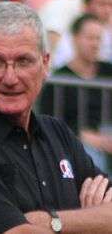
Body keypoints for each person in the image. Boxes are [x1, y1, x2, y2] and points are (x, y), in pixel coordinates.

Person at [0, 1, 112, 234]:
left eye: (23, 61)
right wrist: (91, 222)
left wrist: (50, 221)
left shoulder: (57, 132)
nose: (10, 77)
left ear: (45, 64)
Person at [40, 13, 112, 172]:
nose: (95, 44)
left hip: (108, 134)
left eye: (98, 39)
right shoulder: (59, 79)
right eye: (90, 38)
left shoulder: (109, 71)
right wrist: (83, 136)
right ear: (74, 38)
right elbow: (47, 121)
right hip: (78, 142)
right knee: (91, 158)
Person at [52, 0, 112, 69]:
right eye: (102, 4)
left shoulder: (109, 32)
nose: (107, 10)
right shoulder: (74, 33)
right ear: (86, 5)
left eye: (110, 5)